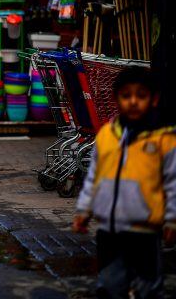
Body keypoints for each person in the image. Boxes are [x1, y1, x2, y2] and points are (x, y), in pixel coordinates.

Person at [73, 68, 176, 298]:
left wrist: (172, 220)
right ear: (116, 98)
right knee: (110, 287)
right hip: (109, 230)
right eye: (126, 95)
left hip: (146, 231)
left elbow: (173, 182)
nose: (133, 101)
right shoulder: (107, 135)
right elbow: (94, 176)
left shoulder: (163, 138)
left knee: (148, 289)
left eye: (141, 95)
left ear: (154, 99)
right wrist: (83, 210)